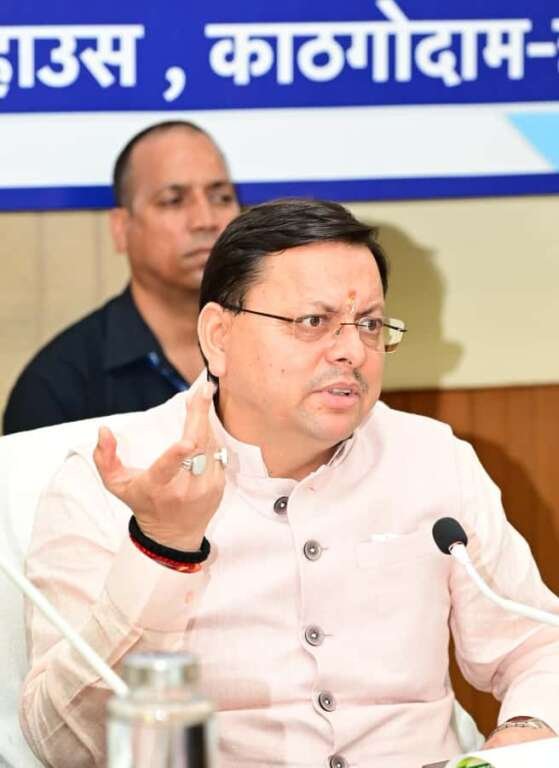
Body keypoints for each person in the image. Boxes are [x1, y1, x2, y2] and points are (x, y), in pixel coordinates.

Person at [21, 199, 559, 768]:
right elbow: (63, 745)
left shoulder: (432, 459)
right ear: (219, 336)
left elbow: (537, 644)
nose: (352, 351)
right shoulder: (112, 482)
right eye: (313, 322)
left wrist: (530, 726)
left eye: (369, 324)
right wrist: (162, 546)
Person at [3, 120, 240, 434]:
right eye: (173, 200)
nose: (205, 220)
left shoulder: (275, 348)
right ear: (121, 228)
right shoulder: (56, 386)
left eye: (221, 197)